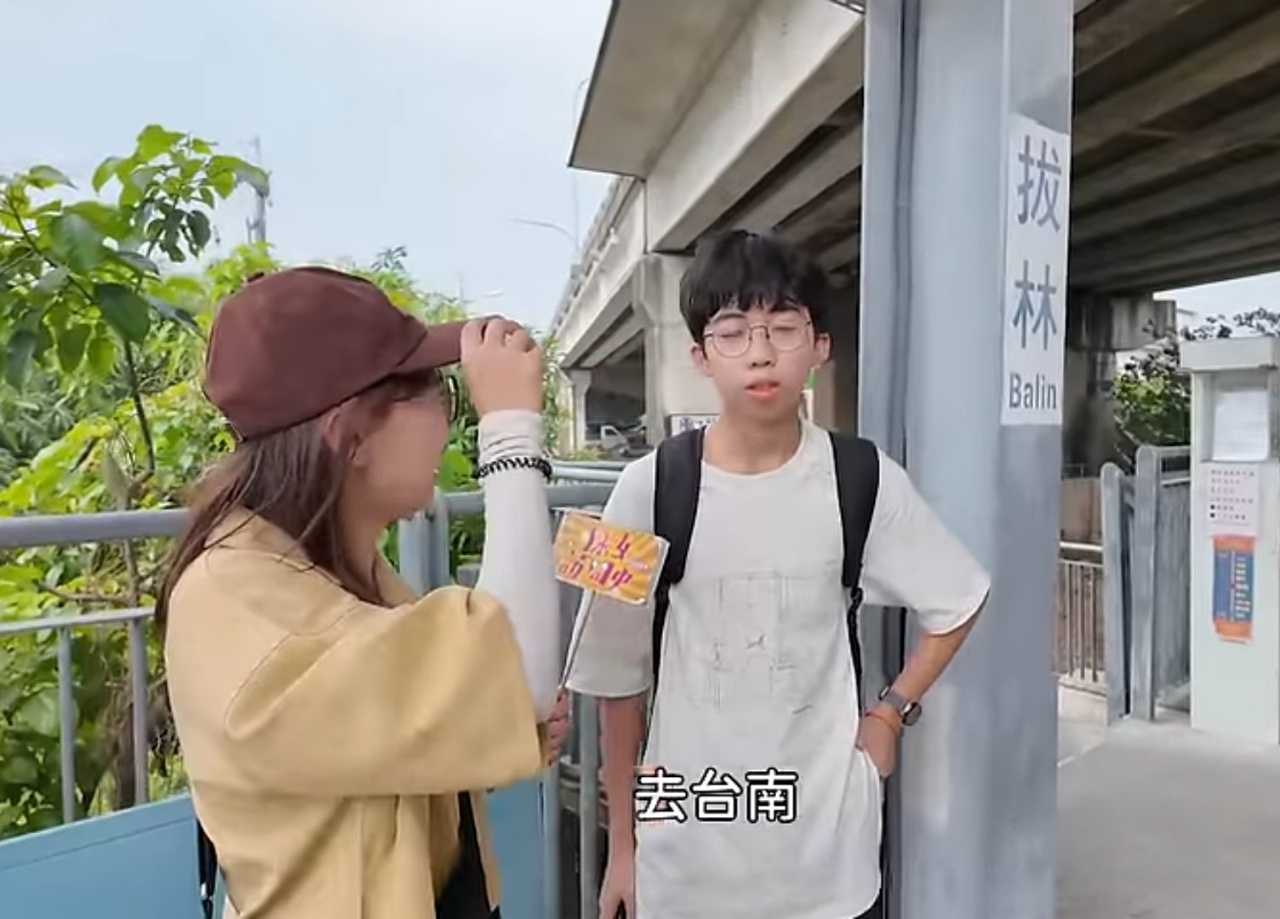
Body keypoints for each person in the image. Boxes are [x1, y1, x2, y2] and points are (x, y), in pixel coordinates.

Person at [564, 231, 992, 919]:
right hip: (686, 865)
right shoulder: (647, 488)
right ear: (700, 355)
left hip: (830, 867)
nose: (760, 352)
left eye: (784, 328)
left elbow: (960, 597)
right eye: (733, 332)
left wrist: (891, 712)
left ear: (819, 345)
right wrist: (623, 849)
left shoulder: (862, 478)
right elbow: (616, 681)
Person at [159, 266, 569, 919]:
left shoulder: (327, 568)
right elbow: (516, 669)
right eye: (433, 390)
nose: (448, 418)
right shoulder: (235, 599)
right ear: (346, 432)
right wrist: (512, 435)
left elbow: (384, 745)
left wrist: (500, 725)